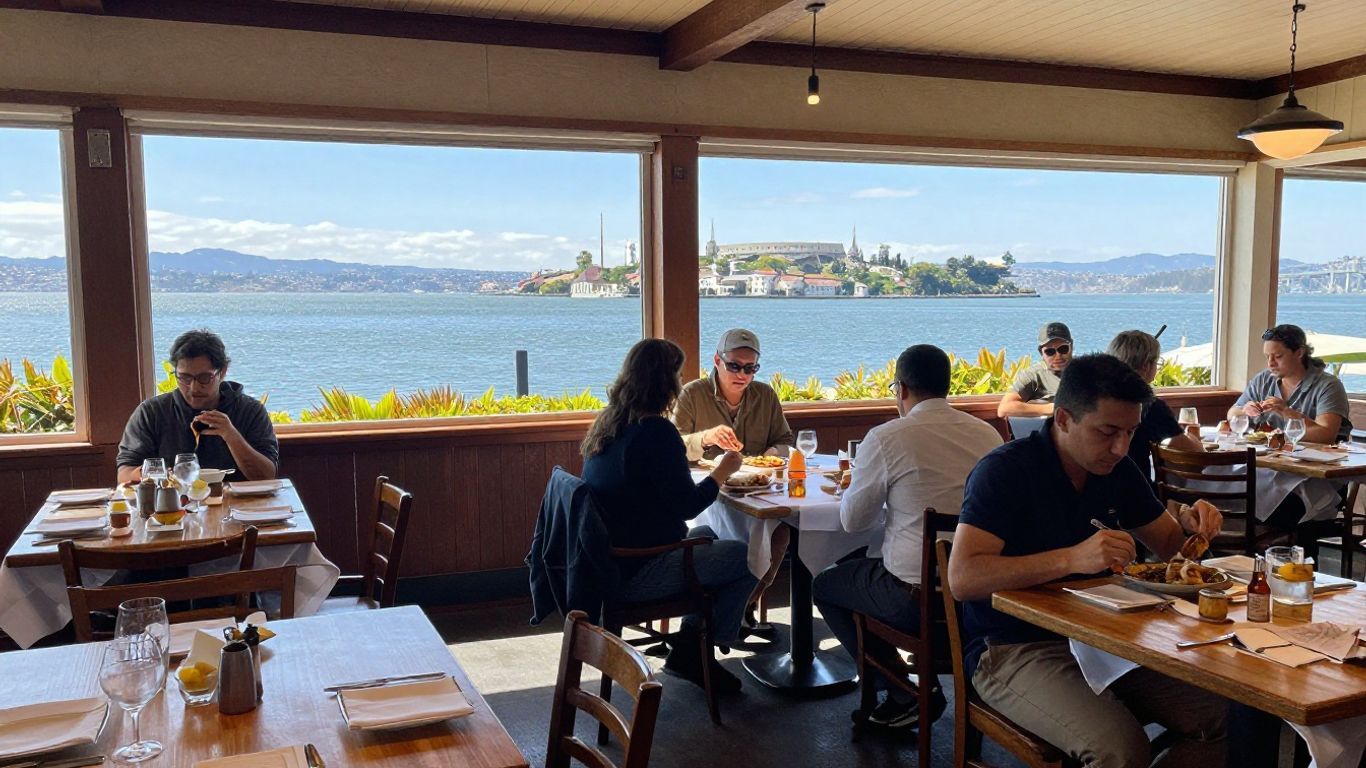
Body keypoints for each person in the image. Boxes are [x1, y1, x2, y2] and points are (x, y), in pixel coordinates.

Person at [950, 354, 1227, 767]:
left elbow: (1170, 545)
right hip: (1013, 646)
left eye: (1130, 433)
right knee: (1120, 750)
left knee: (1226, 718)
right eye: (1107, 432)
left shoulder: (1118, 469)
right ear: (1063, 419)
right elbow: (963, 577)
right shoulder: (1005, 471)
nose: (1120, 447)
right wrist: (1071, 558)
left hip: (1106, 639)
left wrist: (1192, 523)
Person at [812, 344, 1002, 732]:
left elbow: (852, 520)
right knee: (860, 571)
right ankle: (918, 690)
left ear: (900, 389)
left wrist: (858, 488)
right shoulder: (988, 436)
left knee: (827, 585)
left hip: (915, 603)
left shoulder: (886, 438)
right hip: (981, 601)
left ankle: (902, 691)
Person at [581, 338, 757, 692]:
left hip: (607, 567)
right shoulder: (656, 432)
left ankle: (691, 645)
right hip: (640, 572)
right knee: (748, 555)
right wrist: (722, 471)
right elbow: (687, 504)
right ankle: (700, 651)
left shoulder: (610, 424)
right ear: (667, 382)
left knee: (708, 531)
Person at [674, 328, 794, 633]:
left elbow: (784, 439)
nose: (742, 374)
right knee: (731, 542)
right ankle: (722, 615)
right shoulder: (693, 393)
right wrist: (706, 438)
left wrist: (769, 455)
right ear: (717, 361)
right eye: (735, 366)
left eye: (750, 368)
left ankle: (744, 605)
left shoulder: (765, 395)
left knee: (780, 536)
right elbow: (674, 446)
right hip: (708, 496)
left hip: (756, 490)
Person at [1227, 323, 1354, 529]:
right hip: (1274, 468)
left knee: (1271, 500)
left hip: (1315, 476)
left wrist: (1287, 412)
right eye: (1267, 356)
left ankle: (1280, 546)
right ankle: (1251, 545)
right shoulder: (1263, 380)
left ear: (1299, 353)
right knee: (1232, 485)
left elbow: (1326, 434)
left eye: (1277, 356)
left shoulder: (1328, 386)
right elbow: (1232, 414)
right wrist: (1245, 411)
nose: (1270, 363)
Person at [116, 329, 279, 483]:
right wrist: (150, 474)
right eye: (184, 378)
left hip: (240, 507)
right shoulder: (152, 412)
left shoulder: (250, 411)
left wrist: (232, 436)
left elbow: (267, 476)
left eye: (204, 378)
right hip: (173, 505)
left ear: (222, 372)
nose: (193, 388)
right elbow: (124, 473)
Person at [1106, 329, 1204, 480]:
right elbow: (1196, 456)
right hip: (1134, 491)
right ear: (1146, 366)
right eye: (1157, 362)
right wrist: (1192, 435)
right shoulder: (1149, 405)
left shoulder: (1097, 398)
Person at [997, 321, 1073, 418]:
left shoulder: (1086, 371)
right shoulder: (1034, 375)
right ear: (1041, 353)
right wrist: (1053, 408)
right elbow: (1004, 409)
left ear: (1071, 347)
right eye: (1050, 351)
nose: (1058, 356)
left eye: (1063, 349)